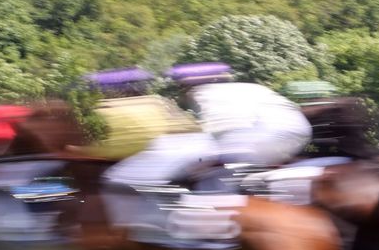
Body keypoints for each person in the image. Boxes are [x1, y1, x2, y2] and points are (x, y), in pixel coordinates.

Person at [106, 63, 311, 189]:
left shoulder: (205, 93)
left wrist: (202, 166)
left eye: (183, 86)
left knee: (212, 181)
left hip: (263, 136)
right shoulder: (248, 86)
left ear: (192, 84)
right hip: (298, 132)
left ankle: (211, 237)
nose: (183, 91)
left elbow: (222, 137)